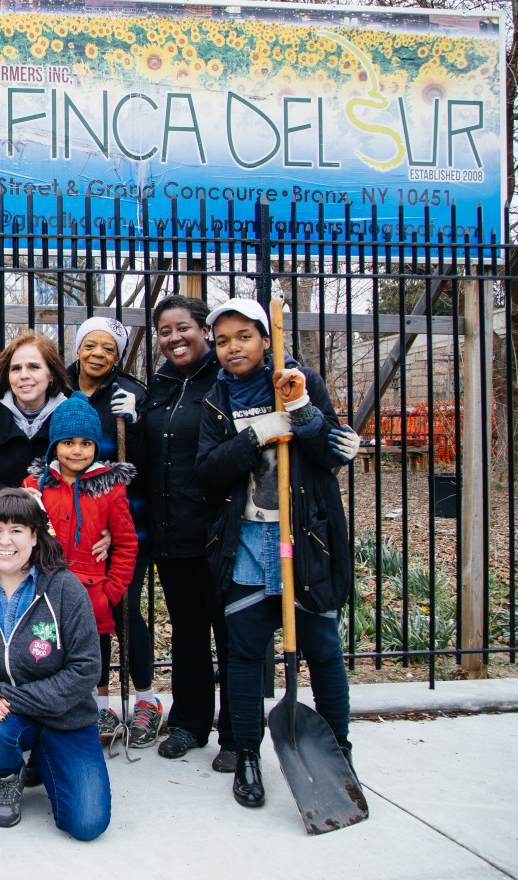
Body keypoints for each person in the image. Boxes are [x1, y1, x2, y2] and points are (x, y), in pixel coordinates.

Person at [197, 297, 361, 808]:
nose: (232, 348)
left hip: (305, 540)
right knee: (244, 657)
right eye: (222, 341)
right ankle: (247, 753)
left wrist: (304, 415)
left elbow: (331, 452)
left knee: (324, 651)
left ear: (266, 340)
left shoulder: (298, 380)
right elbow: (207, 472)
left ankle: (338, 750)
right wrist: (257, 434)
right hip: (247, 543)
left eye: (244, 336)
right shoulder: (216, 401)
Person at [0, 488, 109, 839]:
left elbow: (86, 668)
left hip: (66, 719)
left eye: (17, 530)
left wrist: (6, 696)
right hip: (4, 720)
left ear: (35, 535)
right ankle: (8, 775)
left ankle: (46, 759)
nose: (5, 541)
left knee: (88, 824)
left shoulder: (65, 589)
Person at [140, 294, 236, 770]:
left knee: (231, 633)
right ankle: (190, 723)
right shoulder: (159, 386)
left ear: (204, 330)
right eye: (164, 331)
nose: (174, 338)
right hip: (171, 532)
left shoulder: (228, 381)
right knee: (189, 632)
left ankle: (239, 732)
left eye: (183, 328)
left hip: (221, 533)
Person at [24, 392, 139, 745]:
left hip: (92, 595)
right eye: (68, 443)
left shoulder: (109, 487)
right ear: (55, 445)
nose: (77, 451)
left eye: (86, 443)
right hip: (44, 596)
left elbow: (126, 544)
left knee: (92, 658)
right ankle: (44, 723)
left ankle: (96, 714)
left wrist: (111, 593)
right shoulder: (36, 487)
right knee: (45, 656)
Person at [65, 317, 159, 746]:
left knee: (124, 612)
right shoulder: (61, 389)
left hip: (123, 523)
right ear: (78, 348)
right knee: (91, 614)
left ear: (118, 356)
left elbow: (144, 465)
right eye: (90, 345)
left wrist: (135, 423)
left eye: (108, 348)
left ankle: (145, 698)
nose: (98, 353)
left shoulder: (131, 394)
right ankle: (99, 704)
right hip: (76, 526)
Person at [0, 330, 72, 542]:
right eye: (16, 368)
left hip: (55, 534)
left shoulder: (72, 418)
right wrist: (11, 497)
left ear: (51, 373)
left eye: (34, 367)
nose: (24, 375)